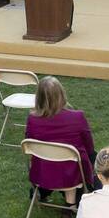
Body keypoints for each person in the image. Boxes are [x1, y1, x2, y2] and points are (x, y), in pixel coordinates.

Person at [25, 75, 97, 206]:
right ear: (61, 94)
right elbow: (89, 147)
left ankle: (42, 191)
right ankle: (72, 202)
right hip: (72, 174)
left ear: (39, 97)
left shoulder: (32, 119)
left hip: (42, 172)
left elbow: (29, 146)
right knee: (90, 157)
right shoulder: (77, 117)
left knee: (51, 159)